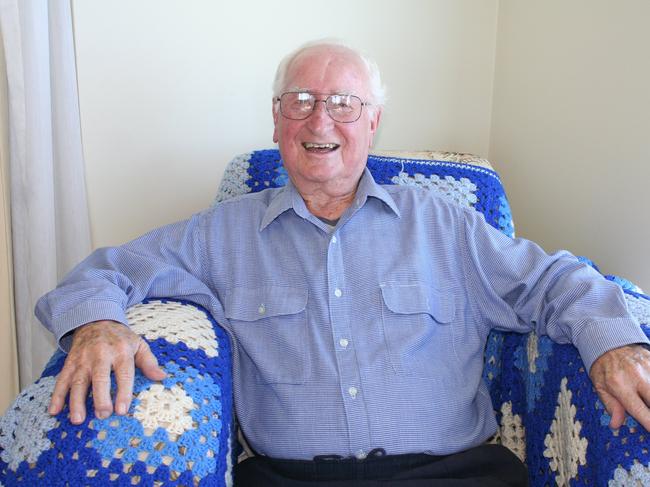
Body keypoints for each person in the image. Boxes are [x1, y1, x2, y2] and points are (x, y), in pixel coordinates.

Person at [37, 40, 650, 486]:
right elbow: (100, 272)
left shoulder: (444, 223)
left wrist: (613, 343)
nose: (319, 119)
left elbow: (554, 280)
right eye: (300, 101)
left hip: (456, 475)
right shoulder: (220, 234)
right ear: (277, 119)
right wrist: (98, 325)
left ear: (373, 122)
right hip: (291, 480)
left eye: (343, 104)